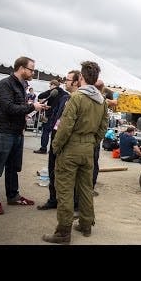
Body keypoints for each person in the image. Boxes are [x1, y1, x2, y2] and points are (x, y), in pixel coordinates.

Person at [43, 61, 108, 244]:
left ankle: (63, 232)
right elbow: (103, 128)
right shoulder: (102, 101)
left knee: (64, 189)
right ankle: (86, 225)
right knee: (86, 188)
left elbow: (65, 126)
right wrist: (92, 143)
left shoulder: (77, 98)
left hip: (71, 148)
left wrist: (56, 146)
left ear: (81, 77)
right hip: (88, 149)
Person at [0, 56, 47, 215]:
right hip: (3, 132)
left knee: (13, 167)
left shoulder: (22, 85)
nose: (33, 72)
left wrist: (33, 109)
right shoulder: (4, 84)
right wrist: (32, 106)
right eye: (31, 69)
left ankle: (13, 195)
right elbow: (9, 108)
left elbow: (19, 108)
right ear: (21, 68)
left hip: (16, 132)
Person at [37, 70, 81, 211]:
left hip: (68, 143)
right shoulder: (63, 98)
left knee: (68, 175)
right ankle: (53, 199)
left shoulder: (80, 100)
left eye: (68, 80)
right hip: (56, 139)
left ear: (75, 82)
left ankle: (72, 203)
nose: (65, 82)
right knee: (52, 170)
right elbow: (57, 116)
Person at [34, 79, 67, 154]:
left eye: (50, 85)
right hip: (58, 116)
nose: (49, 87)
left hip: (50, 115)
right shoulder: (64, 93)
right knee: (54, 133)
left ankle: (43, 148)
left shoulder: (53, 91)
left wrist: (48, 106)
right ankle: (52, 150)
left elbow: (41, 95)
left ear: (53, 85)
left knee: (45, 131)